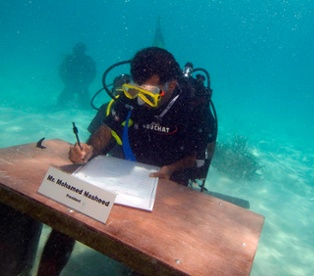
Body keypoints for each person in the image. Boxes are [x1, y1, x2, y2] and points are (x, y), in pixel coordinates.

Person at [38, 47, 208, 275]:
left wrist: (171, 170)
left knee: (152, 250)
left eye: (148, 94)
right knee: (68, 218)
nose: (140, 101)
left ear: (171, 86)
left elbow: (196, 157)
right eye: (134, 92)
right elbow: (108, 128)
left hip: (169, 177)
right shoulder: (131, 99)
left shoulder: (191, 107)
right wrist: (88, 148)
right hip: (130, 172)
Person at [57, 42, 96, 108]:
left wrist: (85, 84)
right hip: (71, 84)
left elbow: (92, 74)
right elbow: (62, 72)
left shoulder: (88, 60)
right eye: (77, 50)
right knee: (61, 103)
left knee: (86, 105)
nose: (79, 52)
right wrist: (68, 83)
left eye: (80, 50)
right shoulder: (68, 59)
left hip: (82, 85)